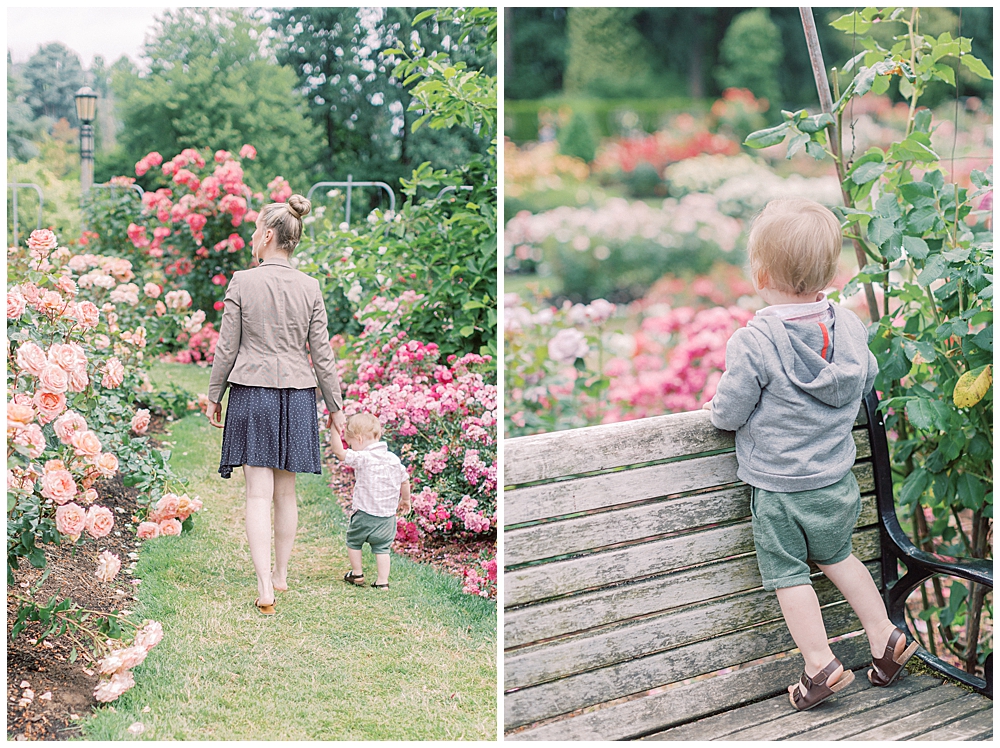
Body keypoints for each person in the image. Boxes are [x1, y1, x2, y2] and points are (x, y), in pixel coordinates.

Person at [706, 198, 918, 711]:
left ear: (760, 270)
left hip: (779, 489)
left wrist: (714, 409)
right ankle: (885, 637)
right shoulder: (848, 328)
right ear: (830, 269)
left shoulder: (755, 342)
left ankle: (820, 664)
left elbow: (728, 413)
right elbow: (865, 376)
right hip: (836, 481)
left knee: (789, 576)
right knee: (838, 556)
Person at [207, 194, 346, 616]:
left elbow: (226, 347)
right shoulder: (311, 287)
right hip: (299, 396)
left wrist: (215, 395)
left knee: (256, 495)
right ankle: (282, 576)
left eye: (254, 231)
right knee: (286, 493)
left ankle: (264, 586)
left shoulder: (242, 282)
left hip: (252, 392)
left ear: (268, 235)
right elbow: (322, 354)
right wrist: (336, 407)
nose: (252, 238)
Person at [329, 412, 411, 590]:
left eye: (351, 443)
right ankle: (383, 581)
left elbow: (339, 452)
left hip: (364, 514)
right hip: (387, 517)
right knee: (382, 548)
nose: (351, 447)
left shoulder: (363, 457)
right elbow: (405, 480)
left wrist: (334, 429)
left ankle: (357, 573)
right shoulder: (393, 460)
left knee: (354, 541)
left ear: (358, 438)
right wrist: (405, 500)